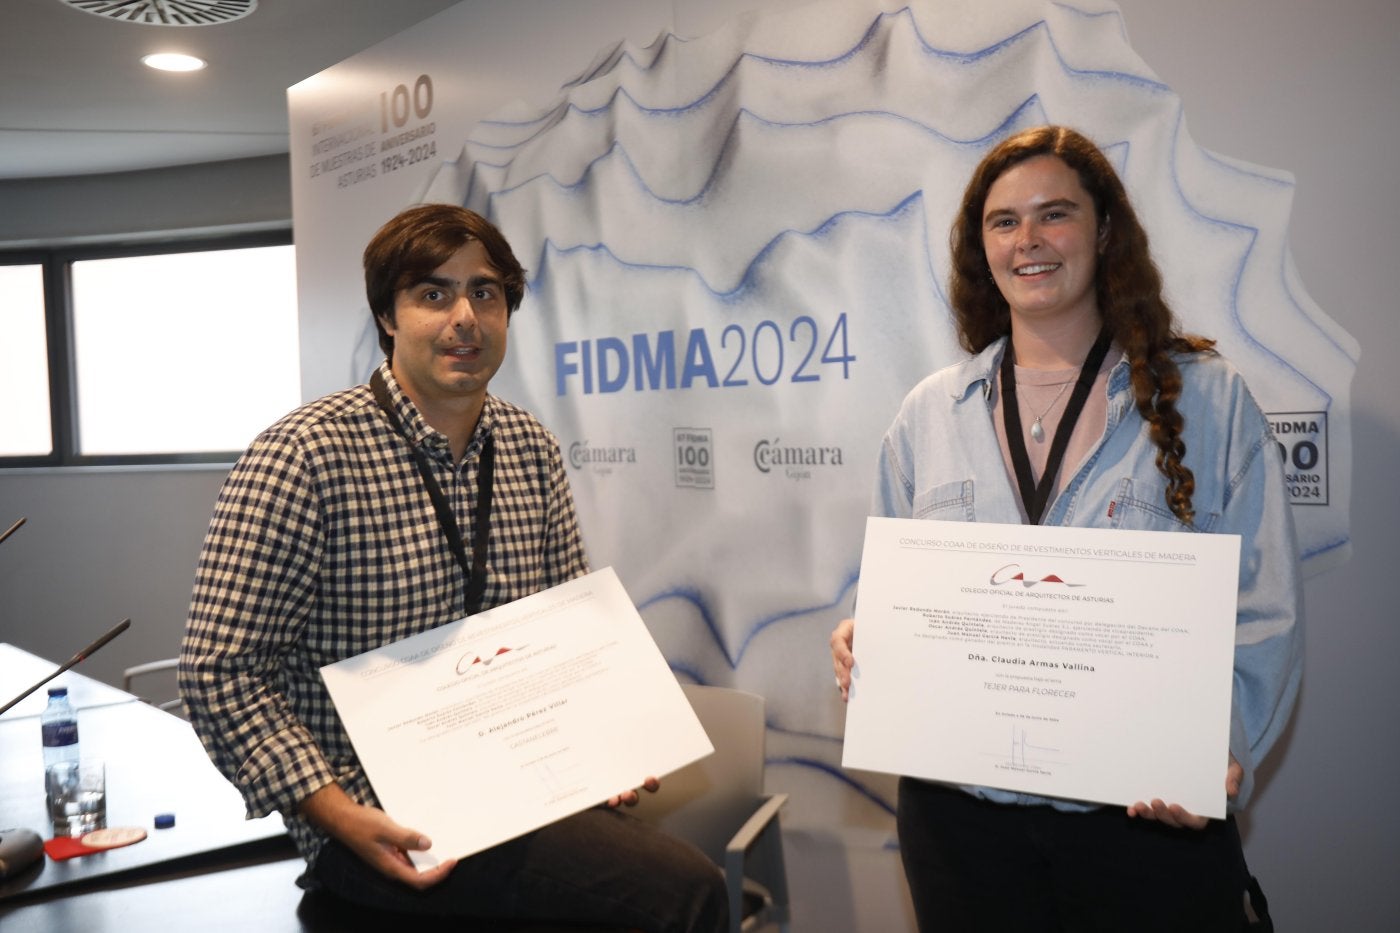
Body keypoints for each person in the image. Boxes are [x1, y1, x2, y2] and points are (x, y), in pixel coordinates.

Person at [180, 203, 727, 932]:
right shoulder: (304, 455)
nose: (464, 316)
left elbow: (571, 627)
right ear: (387, 316)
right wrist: (337, 813)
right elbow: (219, 669)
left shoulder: (529, 447)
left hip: (519, 791)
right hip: (379, 815)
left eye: (486, 292)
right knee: (685, 893)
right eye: (432, 293)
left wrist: (604, 745)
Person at [829, 126, 1300, 931]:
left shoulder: (1209, 402)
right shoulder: (926, 415)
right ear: (982, 247)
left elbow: (1263, 613)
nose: (1029, 241)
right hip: (960, 830)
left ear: (1105, 230)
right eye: (1003, 221)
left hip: (1140, 827)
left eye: (1056, 214)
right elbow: (899, 586)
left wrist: (1213, 748)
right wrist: (870, 632)